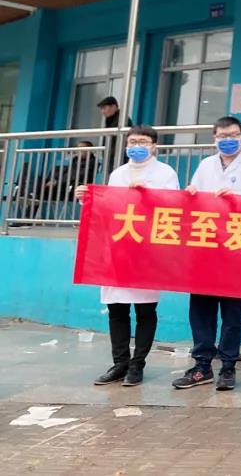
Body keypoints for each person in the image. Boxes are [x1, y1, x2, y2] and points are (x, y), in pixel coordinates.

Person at [173, 116, 241, 392]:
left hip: (237, 246)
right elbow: (195, 199)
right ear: (214, 138)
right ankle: (202, 365)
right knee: (201, 310)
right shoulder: (206, 165)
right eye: (222, 136)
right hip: (206, 245)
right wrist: (191, 193)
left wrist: (236, 197)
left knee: (231, 313)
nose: (228, 140)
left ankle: (228, 366)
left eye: (233, 135)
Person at [76, 125, 178, 387]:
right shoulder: (118, 173)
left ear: (154, 146)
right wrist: (87, 199)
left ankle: (137, 364)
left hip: (148, 251)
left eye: (143, 141)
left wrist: (148, 195)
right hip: (119, 248)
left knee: (145, 309)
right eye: (132, 142)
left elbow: (175, 208)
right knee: (116, 308)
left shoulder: (165, 173)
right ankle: (120, 362)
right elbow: (108, 206)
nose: (137, 146)